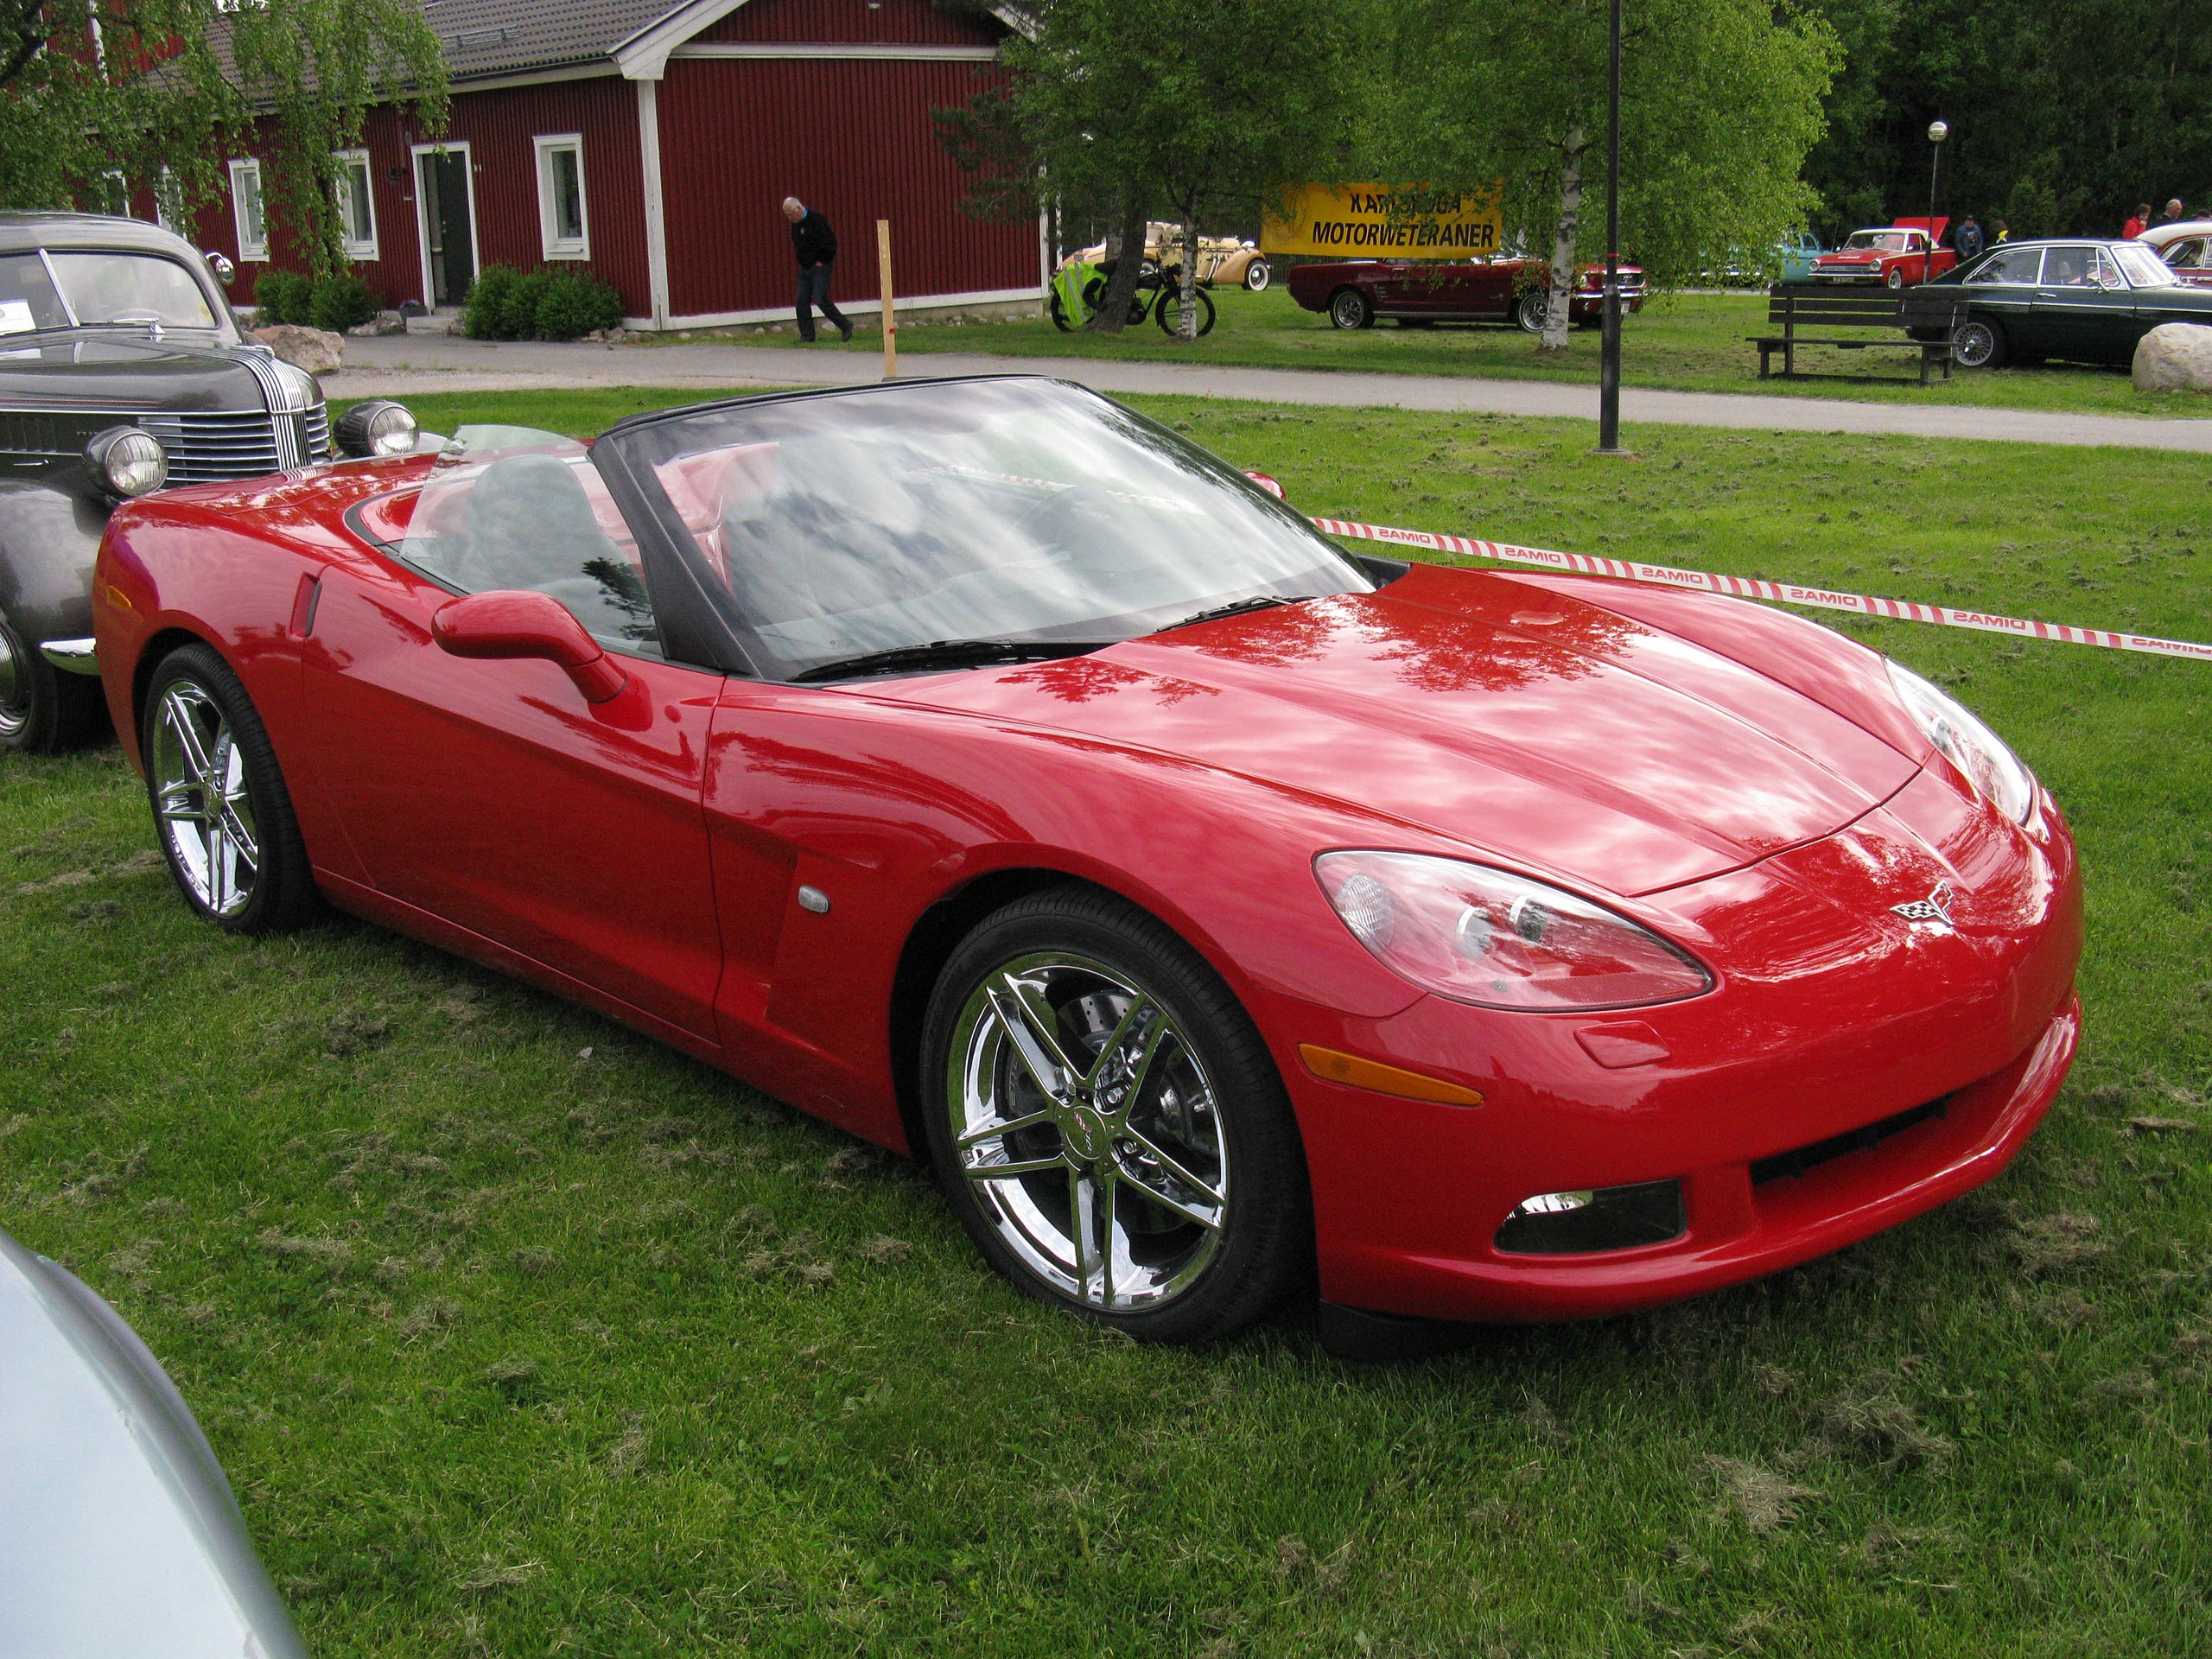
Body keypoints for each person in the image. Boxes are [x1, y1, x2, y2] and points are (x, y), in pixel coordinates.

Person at [782, 196, 852, 344]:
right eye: (786, 215)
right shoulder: (795, 226)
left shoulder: (817, 220)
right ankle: (807, 336)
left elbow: (831, 243)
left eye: (790, 214)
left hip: (820, 266)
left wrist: (822, 260)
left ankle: (845, 325)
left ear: (799, 209)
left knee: (820, 298)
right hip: (805, 267)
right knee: (801, 300)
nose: (788, 218)